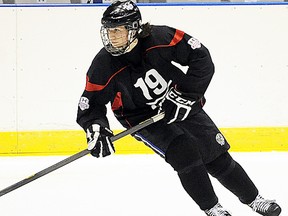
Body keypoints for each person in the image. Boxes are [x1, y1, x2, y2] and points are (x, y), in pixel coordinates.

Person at [76, 1, 282, 215]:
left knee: (216, 155)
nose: (111, 36)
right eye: (108, 31)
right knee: (184, 153)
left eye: (117, 30)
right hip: (141, 118)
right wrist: (95, 127)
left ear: (134, 28)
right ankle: (214, 209)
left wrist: (187, 95)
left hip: (178, 101)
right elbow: (91, 103)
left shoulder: (160, 38)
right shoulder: (103, 64)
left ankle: (255, 200)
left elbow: (201, 58)